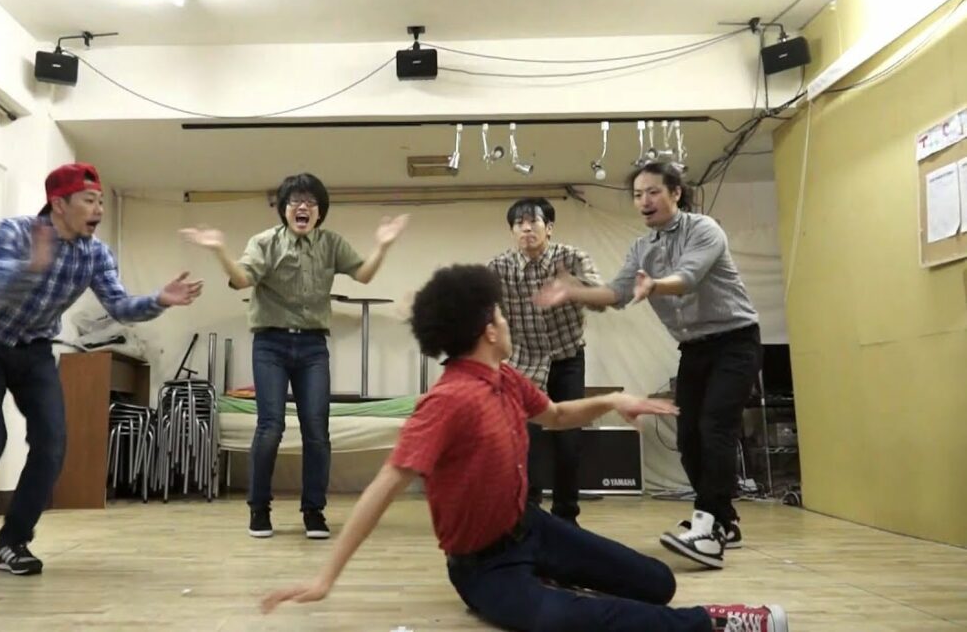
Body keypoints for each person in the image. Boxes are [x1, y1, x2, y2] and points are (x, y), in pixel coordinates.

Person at [260, 264, 788, 632]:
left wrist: (613, 400)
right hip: (483, 567)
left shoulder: (505, 377)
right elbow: (384, 486)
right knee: (566, 619)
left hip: (532, 529)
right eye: (502, 316)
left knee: (658, 581)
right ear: (489, 330)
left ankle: (553, 578)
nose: (508, 323)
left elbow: (555, 415)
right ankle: (714, 624)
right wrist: (325, 578)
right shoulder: (446, 401)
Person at [0, 162, 204, 576]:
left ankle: (12, 542)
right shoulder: (14, 232)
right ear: (59, 203)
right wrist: (31, 267)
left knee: (52, 445)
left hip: (34, 351)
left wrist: (159, 299)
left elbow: (120, 306)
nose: (99, 209)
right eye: (89, 200)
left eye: (101, 201)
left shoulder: (95, 254)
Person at [535, 161, 762, 570]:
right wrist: (574, 292)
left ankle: (710, 526)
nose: (644, 201)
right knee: (688, 437)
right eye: (638, 195)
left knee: (715, 428)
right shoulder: (643, 248)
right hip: (694, 349)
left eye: (653, 192)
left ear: (676, 193)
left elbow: (688, 277)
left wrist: (656, 285)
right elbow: (615, 294)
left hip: (736, 342)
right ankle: (724, 521)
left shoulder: (704, 230)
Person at [180, 172, 407, 540]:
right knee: (270, 427)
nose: (303, 207)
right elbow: (242, 279)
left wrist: (383, 245)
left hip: (313, 347)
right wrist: (219, 250)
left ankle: (313, 512)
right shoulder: (264, 242)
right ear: (284, 209)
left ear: (320, 211)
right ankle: (259, 509)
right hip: (270, 344)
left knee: (317, 430)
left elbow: (363, 274)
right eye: (295, 201)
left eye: (311, 202)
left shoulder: (331, 244)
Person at [489, 197, 603, 524]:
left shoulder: (572, 258)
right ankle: (528, 515)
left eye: (534, 222)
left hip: (567, 359)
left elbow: (601, 299)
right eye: (519, 224)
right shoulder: (498, 268)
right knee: (526, 441)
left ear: (549, 228)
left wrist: (574, 289)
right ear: (512, 231)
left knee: (568, 440)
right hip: (523, 363)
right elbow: (483, 312)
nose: (526, 229)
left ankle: (566, 516)